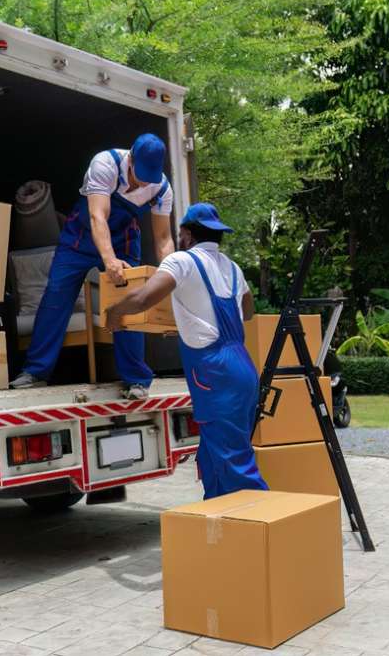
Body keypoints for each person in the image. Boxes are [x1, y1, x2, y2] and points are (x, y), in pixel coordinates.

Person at [104, 203, 268, 499]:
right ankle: (220, 527)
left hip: (215, 371)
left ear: (188, 235)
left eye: (180, 235)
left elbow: (143, 299)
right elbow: (248, 311)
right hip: (242, 365)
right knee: (213, 455)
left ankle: (262, 530)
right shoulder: (232, 268)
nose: (178, 240)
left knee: (234, 463)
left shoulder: (182, 261)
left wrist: (114, 312)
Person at [10, 134, 175, 399]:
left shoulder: (162, 188)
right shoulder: (105, 164)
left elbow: (164, 239)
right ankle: (36, 372)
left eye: (148, 178)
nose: (142, 182)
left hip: (124, 240)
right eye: (139, 175)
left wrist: (171, 275)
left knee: (131, 302)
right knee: (56, 295)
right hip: (81, 237)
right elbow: (99, 216)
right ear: (130, 159)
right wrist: (109, 261)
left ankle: (136, 379)